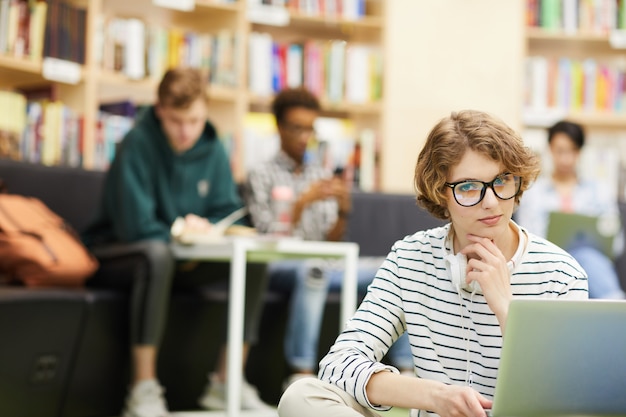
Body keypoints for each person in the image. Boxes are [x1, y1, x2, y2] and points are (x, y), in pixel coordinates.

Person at [277, 109, 589, 417]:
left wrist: (507, 310)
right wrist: (434, 396)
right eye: (468, 187)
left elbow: (563, 400)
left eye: (503, 180)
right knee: (301, 396)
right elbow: (339, 363)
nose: (491, 202)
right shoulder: (410, 258)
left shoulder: (561, 275)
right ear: (441, 193)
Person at [82, 67, 272, 417]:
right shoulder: (136, 143)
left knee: (255, 260)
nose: (186, 132)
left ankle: (226, 382)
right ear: (159, 111)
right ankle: (143, 391)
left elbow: (230, 213)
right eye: (176, 121)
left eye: (195, 121)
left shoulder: (213, 146)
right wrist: (179, 234)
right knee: (156, 255)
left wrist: (208, 229)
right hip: (121, 253)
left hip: (183, 256)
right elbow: (134, 226)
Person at [243, 87, 413, 388]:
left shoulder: (318, 173)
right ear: (279, 128)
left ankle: (408, 369)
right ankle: (301, 373)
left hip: (324, 263)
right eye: (296, 128)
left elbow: (331, 242)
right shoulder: (261, 173)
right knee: (314, 269)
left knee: (397, 269)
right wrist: (300, 203)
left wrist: (344, 212)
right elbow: (267, 235)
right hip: (279, 265)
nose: (303, 137)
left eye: (309, 129)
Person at [515, 120, 626, 299]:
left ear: (580, 152)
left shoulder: (600, 191)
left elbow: (616, 243)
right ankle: (616, 305)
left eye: (572, 151)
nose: (566, 158)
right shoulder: (533, 193)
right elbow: (529, 242)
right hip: (548, 263)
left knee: (585, 256)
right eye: (560, 150)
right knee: (575, 260)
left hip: (593, 264)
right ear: (550, 149)